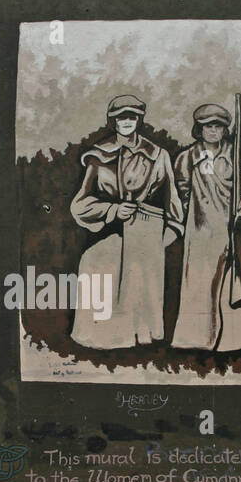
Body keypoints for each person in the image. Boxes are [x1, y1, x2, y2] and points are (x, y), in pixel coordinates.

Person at [69, 95, 184, 349]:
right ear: (114, 120)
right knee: (97, 267)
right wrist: (112, 210)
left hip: (145, 236)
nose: (127, 121)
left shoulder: (159, 155)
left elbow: (173, 200)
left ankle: (137, 342)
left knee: (140, 290)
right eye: (121, 117)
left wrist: (169, 233)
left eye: (131, 116)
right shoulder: (99, 156)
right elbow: (79, 205)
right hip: (108, 233)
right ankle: (103, 339)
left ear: (139, 119)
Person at [171, 102, 241, 351]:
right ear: (199, 129)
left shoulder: (237, 156)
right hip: (201, 233)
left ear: (224, 130)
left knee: (237, 284)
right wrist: (189, 215)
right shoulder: (187, 158)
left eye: (218, 127)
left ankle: (240, 343)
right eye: (208, 126)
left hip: (234, 230)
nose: (212, 131)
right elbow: (180, 191)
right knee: (199, 285)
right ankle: (196, 341)